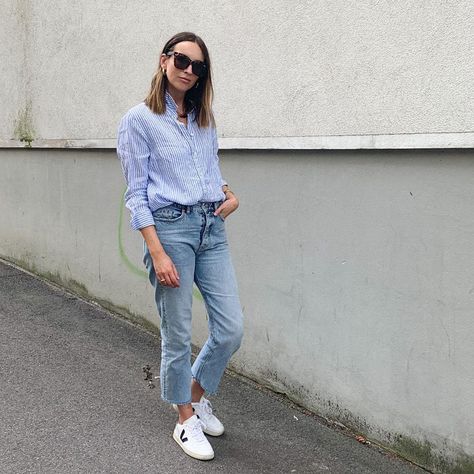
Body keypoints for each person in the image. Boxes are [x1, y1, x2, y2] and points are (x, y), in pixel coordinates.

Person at [117, 32, 243, 461]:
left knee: (230, 329)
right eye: (182, 61)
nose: (189, 71)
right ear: (164, 60)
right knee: (178, 332)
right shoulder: (139, 119)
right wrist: (156, 250)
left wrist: (227, 195)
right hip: (169, 230)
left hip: (211, 227)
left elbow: (209, 170)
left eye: (199, 66)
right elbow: (136, 193)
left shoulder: (205, 119)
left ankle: (195, 393)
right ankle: (184, 418)